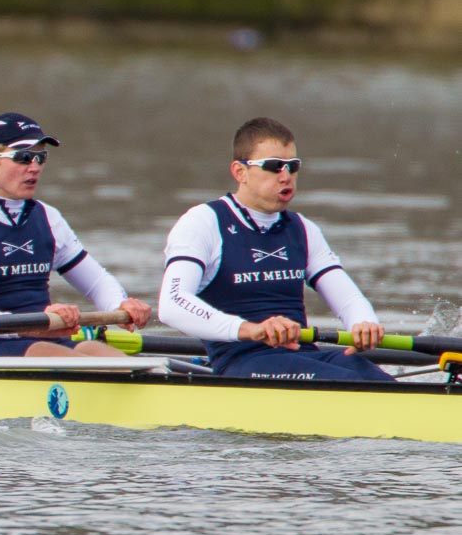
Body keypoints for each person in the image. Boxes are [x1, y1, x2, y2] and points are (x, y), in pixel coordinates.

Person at [156, 117, 393, 381]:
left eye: (293, 166)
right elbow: (172, 304)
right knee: (350, 382)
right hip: (242, 362)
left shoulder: (302, 228)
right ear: (239, 172)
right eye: (274, 166)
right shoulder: (203, 222)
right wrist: (251, 330)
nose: (286, 176)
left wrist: (363, 323)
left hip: (303, 355)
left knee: (377, 378)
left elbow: (348, 300)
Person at [0, 112, 151, 356]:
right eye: (23, 157)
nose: (35, 167)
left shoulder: (48, 217)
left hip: (50, 340)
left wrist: (119, 305)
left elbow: (96, 281)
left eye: (41, 157)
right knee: (81, 362)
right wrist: (31, 327)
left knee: (112, 359)